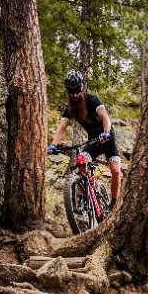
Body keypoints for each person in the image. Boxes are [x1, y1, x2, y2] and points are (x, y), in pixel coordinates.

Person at [47, 69, 122, 209]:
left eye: (77, 91)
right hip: (93, 140)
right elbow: (61, 128)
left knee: (116, 171)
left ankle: (114, 202)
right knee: (82, 162)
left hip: (107, 138)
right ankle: (82, 198)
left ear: (82, 88)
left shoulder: (92, 100)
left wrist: (106, 133)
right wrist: (52, 145)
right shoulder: (70, 108)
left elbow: (106, 118)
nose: (75, 95)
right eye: (71, 92)